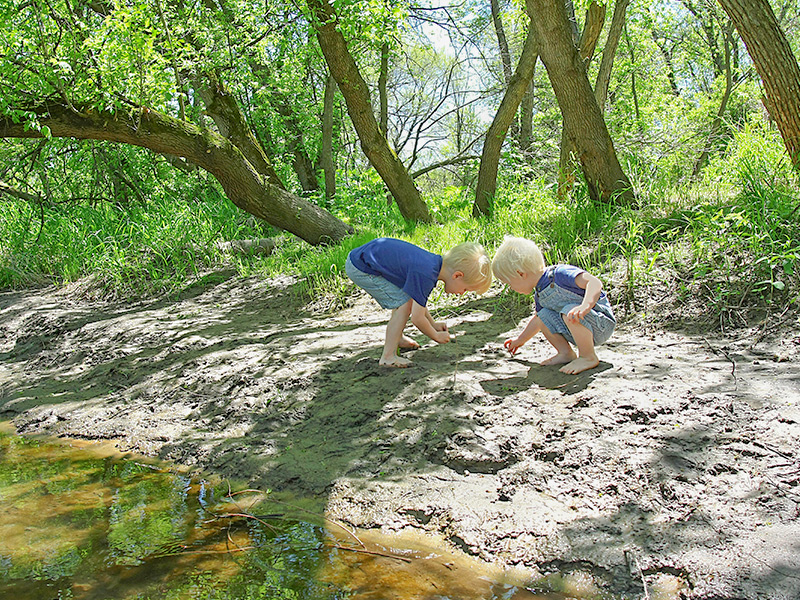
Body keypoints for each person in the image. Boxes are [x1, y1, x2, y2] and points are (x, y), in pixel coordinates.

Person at [345, 237, 492, 368]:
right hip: (362, 267)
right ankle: (388, 357)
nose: (461, 293)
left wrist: (433, 324)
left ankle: (397, 338)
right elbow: (417, 318)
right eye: (465, 289)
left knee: (406, 299)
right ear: (457, 275)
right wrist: (435, 336)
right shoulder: (426, 274)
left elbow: (417, 300)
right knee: (404, 305)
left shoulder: (432, 266)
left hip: (364, 260)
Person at [491, 236, 616, 375]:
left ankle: (588, 356)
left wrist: (585, 306)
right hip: (578, 328)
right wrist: (520, 340)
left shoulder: (560, 274)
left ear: (521, 274)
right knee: (542, 315)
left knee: (569, 311)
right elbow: (537, 321)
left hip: (600, 323)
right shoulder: (540, 293)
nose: (511, 288)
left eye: (509, 283)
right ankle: (566, 353)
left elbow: (594, 282)